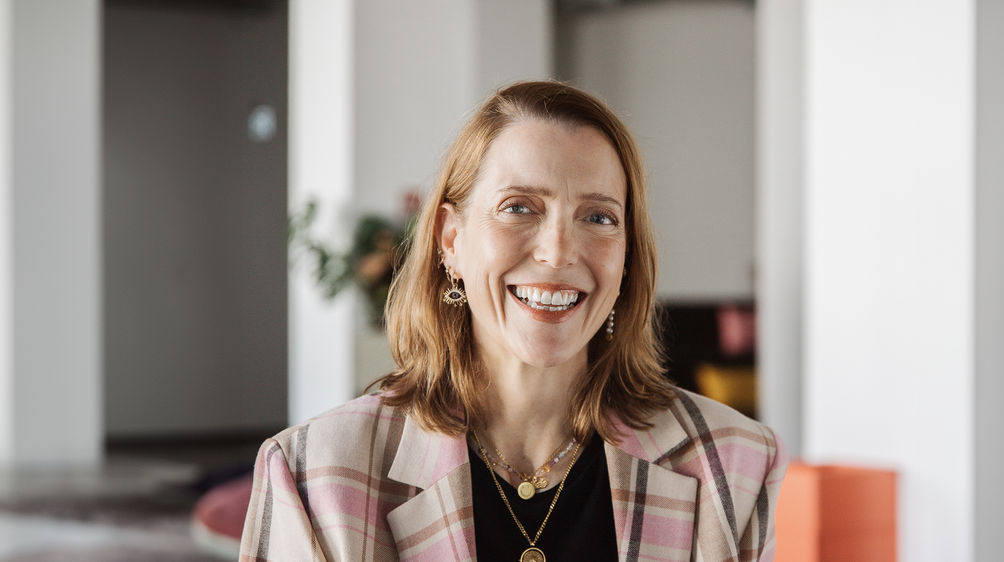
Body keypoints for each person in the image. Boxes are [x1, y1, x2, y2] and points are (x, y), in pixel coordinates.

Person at [240, 81, 786, 562]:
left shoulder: (734, 465)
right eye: (519, 207)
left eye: (599, 216)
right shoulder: (315, 474)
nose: (558, 252)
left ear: (626, 259)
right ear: (451, 240)